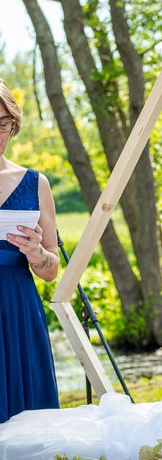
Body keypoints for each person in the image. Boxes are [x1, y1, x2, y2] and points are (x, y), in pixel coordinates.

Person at [0, 79, 60, 423]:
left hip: (17, 308)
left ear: (14, 125)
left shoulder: (35, 182)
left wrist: (36, 252)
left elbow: (50, 270)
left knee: (27, 421)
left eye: (2, 123)